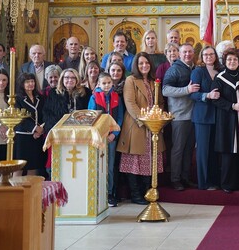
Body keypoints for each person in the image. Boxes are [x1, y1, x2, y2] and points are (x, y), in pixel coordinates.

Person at [118, 53, 164, 205]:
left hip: (153, 126)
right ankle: (135, 194)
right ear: (136, 66)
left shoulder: (153, 81)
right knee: (135, 160)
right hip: (137, 124)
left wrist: (157, 120)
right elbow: (130, 103)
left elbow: (161, 102)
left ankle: (149, 191)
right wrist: (144, 121)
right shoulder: (131, 80)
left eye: (146, 63)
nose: (144, 65)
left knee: (151, 159)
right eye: (141, 63)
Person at [210, 49, 239, 192]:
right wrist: (232, 106)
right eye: (229, 60)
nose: (232, 62)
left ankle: (237, 182)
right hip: (226, 119)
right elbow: (215, 99)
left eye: (235, 60)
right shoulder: (220, 78)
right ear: (225, 62)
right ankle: (226, 183)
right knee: (228, 151)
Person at [163, 45, 200, 191]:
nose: (187, 54)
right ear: (179, 53)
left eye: (190, 52)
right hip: (179, 115)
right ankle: (175, 179)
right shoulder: (174, 68)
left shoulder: (194, 68)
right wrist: (187, 90)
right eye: (184, 52)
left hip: (192, 115)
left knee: (188, 148)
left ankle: (185, 177)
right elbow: (165, 90)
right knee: (178, 148)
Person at [43, 68, 90, 175]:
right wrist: (59, 128)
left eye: (73, 77)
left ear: (77, 79)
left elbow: (89, 113)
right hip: (59, 135)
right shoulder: (54, 93)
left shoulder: (85, 93)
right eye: (67, 77)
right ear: (62, 79)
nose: (70, 80)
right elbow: (47, 114)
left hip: (80, 135)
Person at [88, 73, 124, 206]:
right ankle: (97, 193)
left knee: (110, 165)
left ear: (112, 83)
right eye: (104, 83)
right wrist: (100, 134)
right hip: (98, 137)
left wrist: (114, 133)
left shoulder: (116, 97)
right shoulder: (94, 97)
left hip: (111, 138)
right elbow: (91, 117)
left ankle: (109, 193)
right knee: (98, 165)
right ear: (98, 84)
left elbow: (120, 117)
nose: (107, 85)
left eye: (109, 83)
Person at [190, 46, 222, 190]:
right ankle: (203, 183)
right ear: (202, 57)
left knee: (214, 151)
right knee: (203, 151)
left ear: (215, 56)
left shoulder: (220, 71)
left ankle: (214, 180)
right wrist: (207, 95)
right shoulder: (198, 71)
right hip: (202, 116)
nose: (209, 56)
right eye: (206, 54)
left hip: (218, 116)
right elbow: (192, 94)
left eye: (211, 54)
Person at [14, 73, 46, 177]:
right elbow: (18, 117)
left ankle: (30, 191)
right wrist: (34, 128)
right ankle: (16, 191)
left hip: (36, 138)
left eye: (32, 81)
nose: (30, 84)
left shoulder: (40, 97)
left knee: (33, 167)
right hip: (22, 137)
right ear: (22, 84)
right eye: (27, 82)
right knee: (19, 167)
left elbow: (45, 114)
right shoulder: (17, 99)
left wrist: (41, 129)